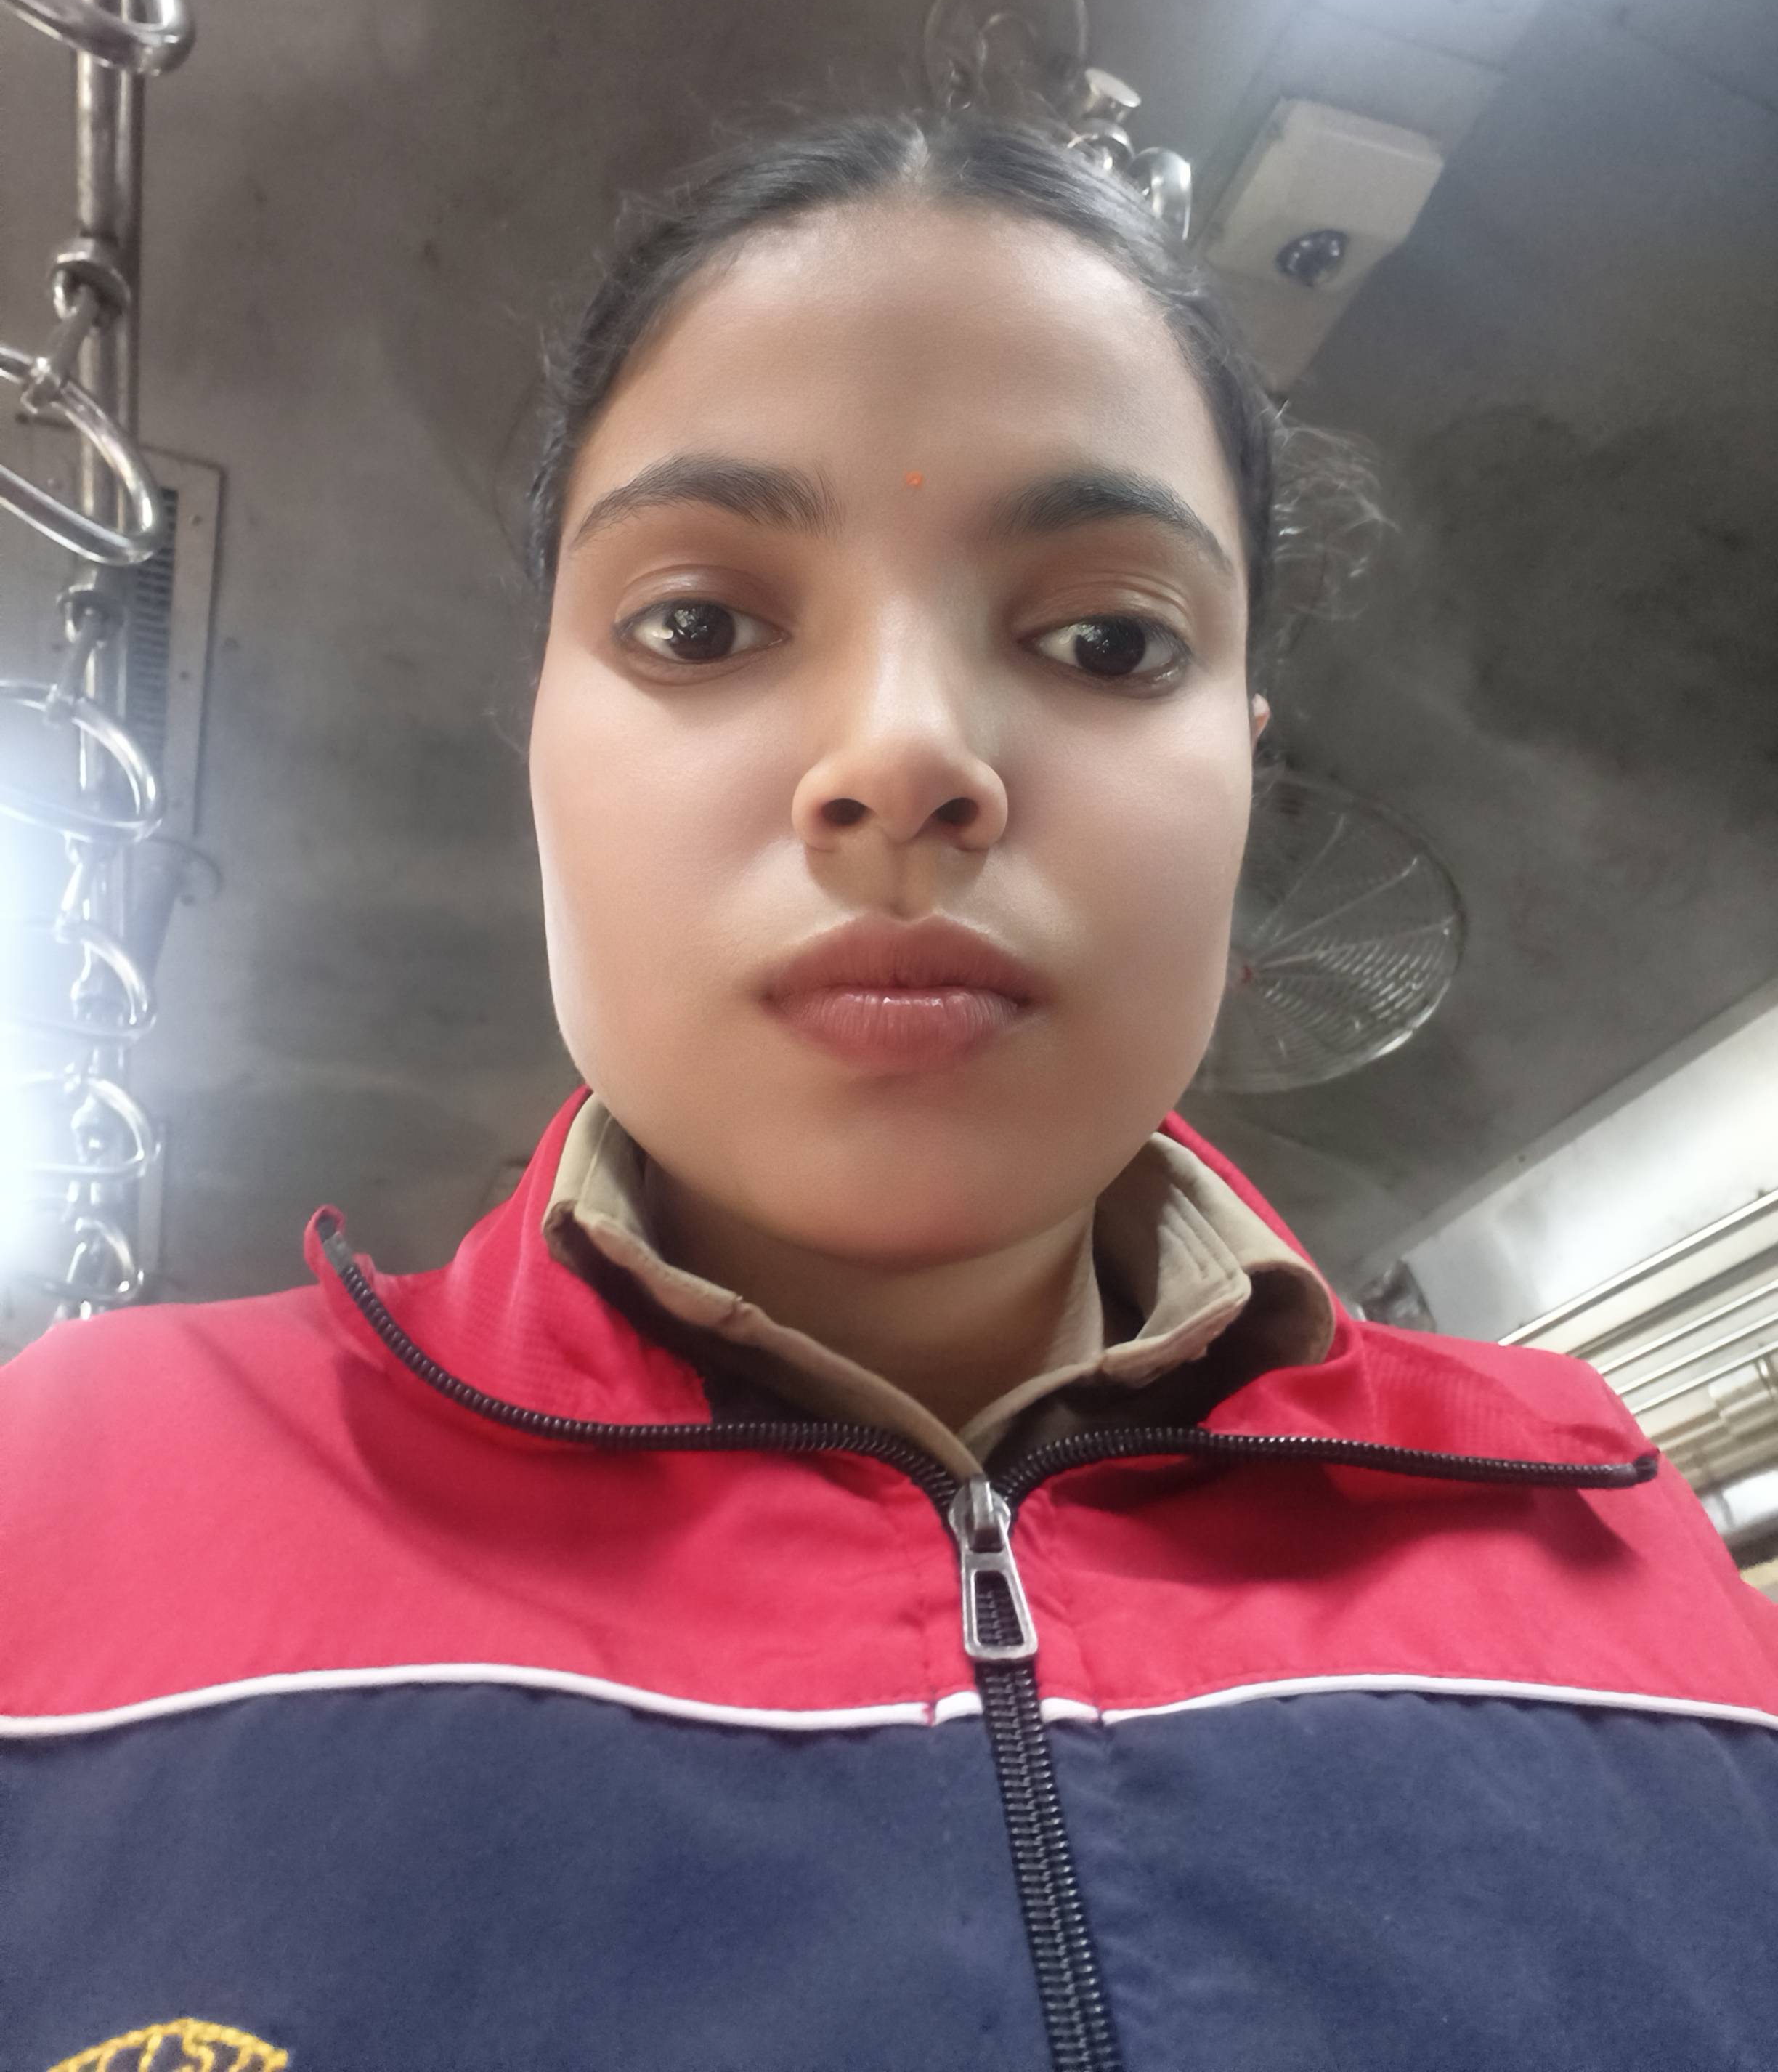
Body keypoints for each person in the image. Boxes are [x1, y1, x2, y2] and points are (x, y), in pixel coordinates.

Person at [3, 110, 1776, 2072]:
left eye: (1110, 641)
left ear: (1249, 778)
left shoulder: (1604, 1535)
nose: (909, 758)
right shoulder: (73, 1499)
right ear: (541, 750)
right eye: (698, 625)